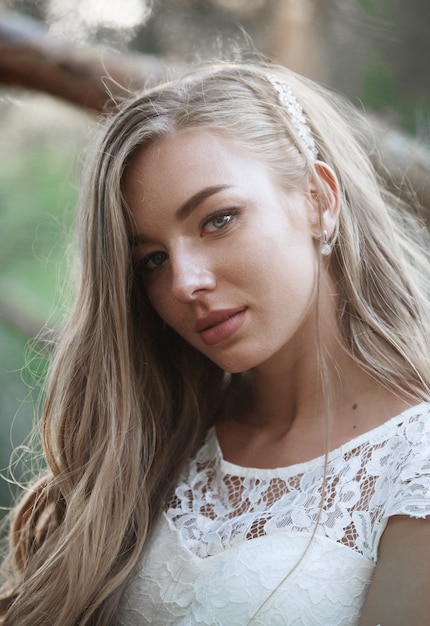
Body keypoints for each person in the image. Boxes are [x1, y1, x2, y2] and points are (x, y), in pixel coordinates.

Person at [1, 60, 430, 626]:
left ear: (317, 200)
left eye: (218, 220)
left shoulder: (413, 462)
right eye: (151, 259)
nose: (183, 283)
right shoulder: (155, 444)